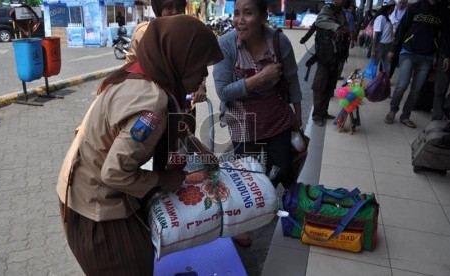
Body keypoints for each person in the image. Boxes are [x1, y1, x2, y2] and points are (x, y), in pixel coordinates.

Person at [56, 15, 223, 275]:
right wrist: (164, 179)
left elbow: (177, 129)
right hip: (96, 212)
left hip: (80, 194)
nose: (204, 75)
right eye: (200, 66)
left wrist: (202, 153)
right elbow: (114, 173)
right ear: (178, 61)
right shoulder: (152, 103)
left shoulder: (142, 74)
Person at [213, 0, 303, 246]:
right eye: (236, 13)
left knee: (283, 168)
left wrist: (299, 114)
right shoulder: (226, 44)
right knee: (246, 177)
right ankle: (245, 221)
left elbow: (292, 79)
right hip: (243, 121)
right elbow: (223, 92)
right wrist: (258, 79)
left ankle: (267, 201)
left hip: (276, 117)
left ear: (264, 16)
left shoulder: (279, 42)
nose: (239, 20)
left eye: (248, 13)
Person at [126, 0, 206, 133]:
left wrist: (201, 85)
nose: (175, 12)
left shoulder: (191, 32)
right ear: (158, 10)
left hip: (185, 105)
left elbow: (199, 64)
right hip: (152, 108)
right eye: (169, 7)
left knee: (185, 146)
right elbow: (130, 68)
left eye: (179, 7)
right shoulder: (143, 33)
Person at [385, 0, 450, 128]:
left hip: (427, 56)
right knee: (402, 84)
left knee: (416, 90)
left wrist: (446, 55)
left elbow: (446, 35)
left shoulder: (443, 11)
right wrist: (393, 49)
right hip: (408, 52)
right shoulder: (414, 7)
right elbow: (402, 28)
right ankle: (393, 110)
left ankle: (405, 116)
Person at [310, 0, 350, 126]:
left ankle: (323, 112)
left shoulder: (341, 12)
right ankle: (317, 115)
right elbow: (319, 21)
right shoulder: (327, 8)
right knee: (320, 86)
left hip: (336, 55)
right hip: (325, 55)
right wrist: (336, 27)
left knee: (330, 86)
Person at [371, 0, 396, 76]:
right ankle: (373, 85)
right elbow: (376, 34)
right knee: (373, 68)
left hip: (388, 45)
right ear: (390, 7)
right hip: (380, 46)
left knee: (387, 68)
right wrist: (373, 49)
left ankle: (382, 84)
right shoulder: (381, 18)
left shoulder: (387, 18)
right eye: (393, 8)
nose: (393, 10)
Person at [388, 0, 408, 78]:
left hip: (399, 40)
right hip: (389, 38)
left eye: (403, 3)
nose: (401, 5)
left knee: (393, 59)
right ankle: (381, 75)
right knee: (386, 58)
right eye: (400, 2)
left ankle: (388, 77)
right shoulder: (392, 11)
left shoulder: (407, 14)